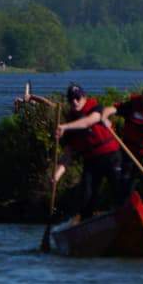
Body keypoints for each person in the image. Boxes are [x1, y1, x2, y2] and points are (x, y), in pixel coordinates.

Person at [18, 84, 125, 220]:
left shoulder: (95, 108)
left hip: (111, 155)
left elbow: (89, 122)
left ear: (84, 97)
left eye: (77, 98)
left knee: (119, 188)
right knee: (86, 196)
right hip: (92, 161)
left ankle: (125, 214)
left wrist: (65, 127)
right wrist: (56, 176)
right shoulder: (71, 122)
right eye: (71, 99)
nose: (75, 102)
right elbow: (68, 155)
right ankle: (87, 222)